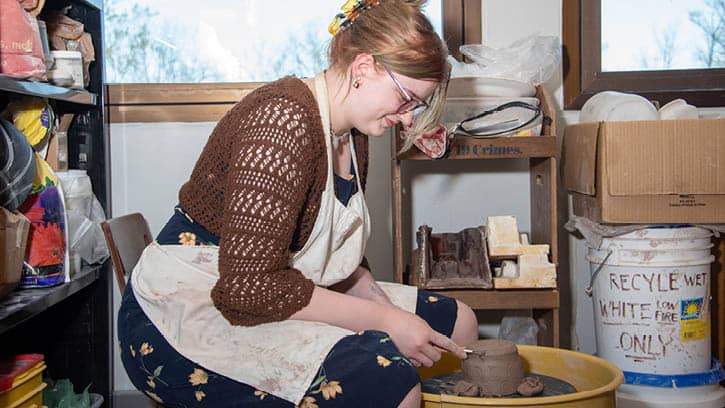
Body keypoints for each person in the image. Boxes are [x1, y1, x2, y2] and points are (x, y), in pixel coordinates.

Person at [117, 0, 479, 406]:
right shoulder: (281, 122)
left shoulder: (353, 134)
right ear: (364, 68)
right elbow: (246, 289)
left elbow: (333, 253)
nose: (410, 119)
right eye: (407, 99)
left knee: (458, 323)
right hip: (188, 309)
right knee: (389, 383)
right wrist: (384, 321)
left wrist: (383, 309)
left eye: (419, 105)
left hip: (273, 283)